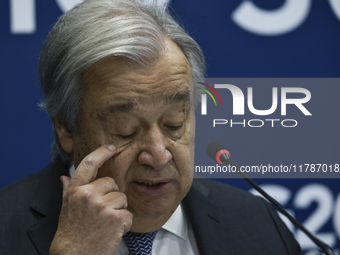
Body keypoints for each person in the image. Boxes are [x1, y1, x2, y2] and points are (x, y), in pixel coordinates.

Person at [0, 0, 302, 254]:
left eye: (174, 123)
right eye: (126, 129)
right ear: (67, 127)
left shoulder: (256, 224)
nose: (159, 156)